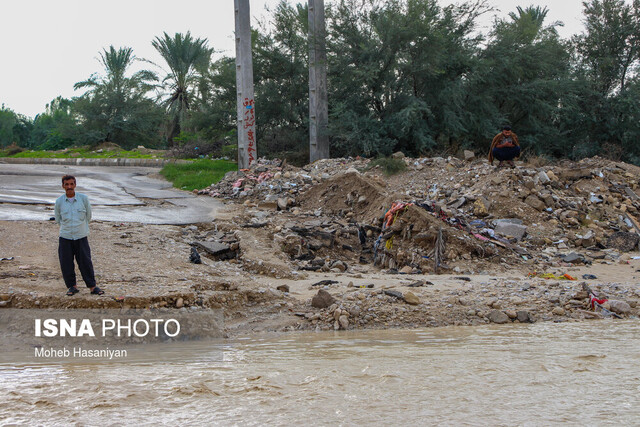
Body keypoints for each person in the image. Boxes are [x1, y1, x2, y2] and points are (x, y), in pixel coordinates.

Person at [54, 175, 104, 296]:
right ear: (63, 186)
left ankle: (92, 287)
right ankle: (72, 287)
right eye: (67, 184)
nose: (69, 187)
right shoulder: (59, 201)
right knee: (66, 263)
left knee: (85, 262)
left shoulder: (83, 199)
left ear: (75, 185)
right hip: (65, 237)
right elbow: (58, 219)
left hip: (81, 236)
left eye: (71, 184)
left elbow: (88, 216)